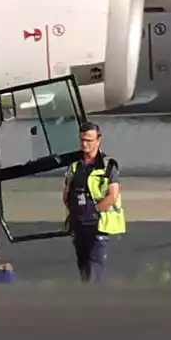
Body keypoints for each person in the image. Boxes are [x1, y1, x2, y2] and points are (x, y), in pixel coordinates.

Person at [62, 121, 125, 283]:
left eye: (89, 140)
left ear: (98, 140)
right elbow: (66, 194)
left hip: (99, 224)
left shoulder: (108, 165)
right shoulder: (75, 166)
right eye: (82, 140)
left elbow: (112, 195)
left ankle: (92, 302)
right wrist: (76, 213)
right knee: (83, 267)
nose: (85, 144)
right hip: (79, 223)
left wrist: (94, 210)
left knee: (93, 267)